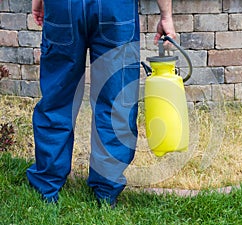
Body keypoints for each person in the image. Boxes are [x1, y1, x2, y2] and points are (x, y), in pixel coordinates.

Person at [27, 0, 176, 207]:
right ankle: (106, 190)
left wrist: (38, 2)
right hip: (115, 8)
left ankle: (47, 185)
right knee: (115, 100)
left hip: (63, 6)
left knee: (57, 98)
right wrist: (166, 15)